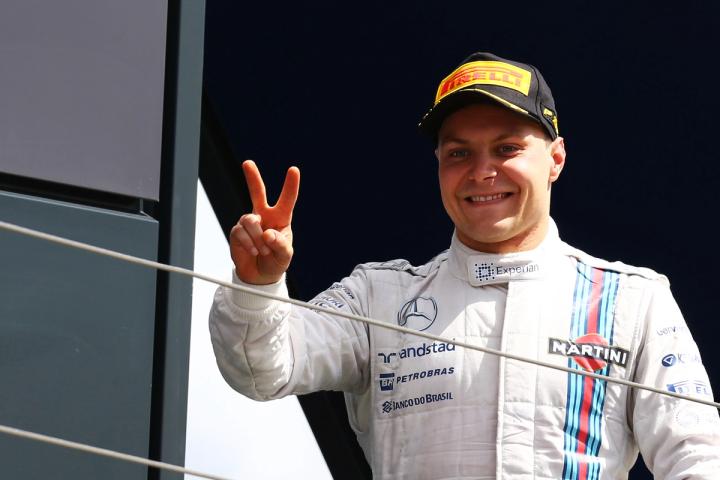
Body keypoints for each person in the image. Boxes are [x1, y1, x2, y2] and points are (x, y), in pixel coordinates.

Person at [209, 52, 720, 479]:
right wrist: (257, 283)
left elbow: (695, 457)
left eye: (507, 148)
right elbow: (262, 371)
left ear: (556, 158)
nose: (481, 172)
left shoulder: (632, 301)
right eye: (458, 153)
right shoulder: (379, 296)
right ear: (438, 165)